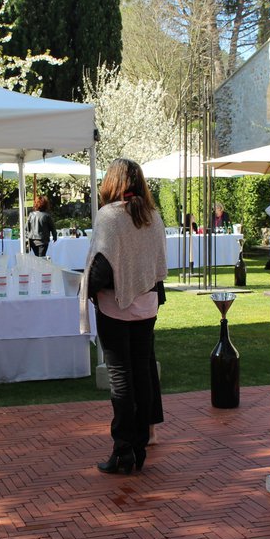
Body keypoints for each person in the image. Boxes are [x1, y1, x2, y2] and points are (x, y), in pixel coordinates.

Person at [81, 159, 168, 475]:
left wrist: (86, 286)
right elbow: (157, 263)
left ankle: (122, 450)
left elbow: (102, 264)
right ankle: (140, 445)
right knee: (142, 374)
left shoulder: (109, 216)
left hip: (115, 306)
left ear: (112, 182)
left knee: (121, 378)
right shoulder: (152, 215)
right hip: (147, 305)